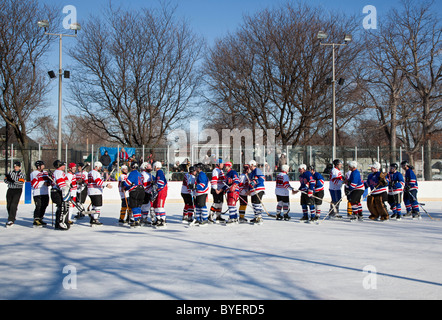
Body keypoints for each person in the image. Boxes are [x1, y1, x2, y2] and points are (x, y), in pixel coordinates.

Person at [87, 161, 113, 226]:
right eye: (99, 167)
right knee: (98, 206)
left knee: (94, 206)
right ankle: (95, 219)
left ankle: (93, 218)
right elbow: (98, 182)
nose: (100, 168)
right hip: (95, 191)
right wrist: (106, 185)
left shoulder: (90, 172)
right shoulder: (95, 173)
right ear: (96, 167)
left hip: (91, 191)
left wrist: (102, 184)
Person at [4, 161, 26, 227]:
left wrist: (13, 181)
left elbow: (21, 182)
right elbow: (5, 180)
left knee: (14, 204)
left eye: (16, 167)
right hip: (10, 189)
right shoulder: (10, 173)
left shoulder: (22, 174)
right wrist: (8, 180)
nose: (15, 168)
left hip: (17, 190)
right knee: (9, 205)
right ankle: (11, 215)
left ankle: (11, 219)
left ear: (19, 167)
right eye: (14, 167)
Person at [50, 160, 71, 230]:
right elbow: (61, 184)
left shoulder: (60, 172)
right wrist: (65, 189)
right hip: (57, 192)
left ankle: (59, 223)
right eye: (63, 165)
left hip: (58, 192)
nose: (64, 166)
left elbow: (66, 182)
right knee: (62, 207)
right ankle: (60, 223)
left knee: (61, 207)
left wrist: (68, 185)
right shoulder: (58, 172)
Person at [30, 160, 50, 227]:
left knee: (44, 205)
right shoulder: (34, 173)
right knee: (38, 206)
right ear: (38, 166)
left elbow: (48, 181)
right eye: (42, 165)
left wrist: (49, 181)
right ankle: (36, 219)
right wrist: (43, 183)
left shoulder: (45, 172)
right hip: (37, 193)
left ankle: (40, 218)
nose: (43, 166)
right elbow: (34, 184)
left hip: (45, 192)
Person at [124, 162, 144, 227]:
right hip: (142, 190)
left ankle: (136, 221)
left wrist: (123, 184)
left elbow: (127, 183)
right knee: (138, 206)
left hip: (135, 191)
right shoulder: (139, 174)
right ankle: (138, 219)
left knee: (134, 206)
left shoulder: (133, 173)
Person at [248, 160, 265, 225]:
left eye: (250, 166)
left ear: (252, 164)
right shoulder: (251, 173)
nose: (249, 167)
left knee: (257, 204)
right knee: (254, 204)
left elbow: (262, 178)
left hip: (258, 189)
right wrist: (249, 190)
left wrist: (254, 182)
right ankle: (256, 217)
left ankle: (259, 218)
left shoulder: (257, 170)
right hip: (253, 191)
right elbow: (250, 183)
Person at [152, 161, 168, 228]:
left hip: (162, 191)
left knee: (160, 206)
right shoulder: (158, 172)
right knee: (155, 205)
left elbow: (160, 182)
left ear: (156, 166)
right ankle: (158, 219)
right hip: (159, 191)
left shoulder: (160, 172)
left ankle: (163, 220)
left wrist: (156, 186)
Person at [209, 159, 225, 223]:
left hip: (220, 189)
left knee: (220, 203)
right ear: (218, 164)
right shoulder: (215, 170)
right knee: (216, 203)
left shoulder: (221, 171)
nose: (223, 165)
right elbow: (214, 180)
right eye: (222, 163)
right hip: (216, 189)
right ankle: (210, 216)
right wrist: (216, 189)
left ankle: (218, 217)